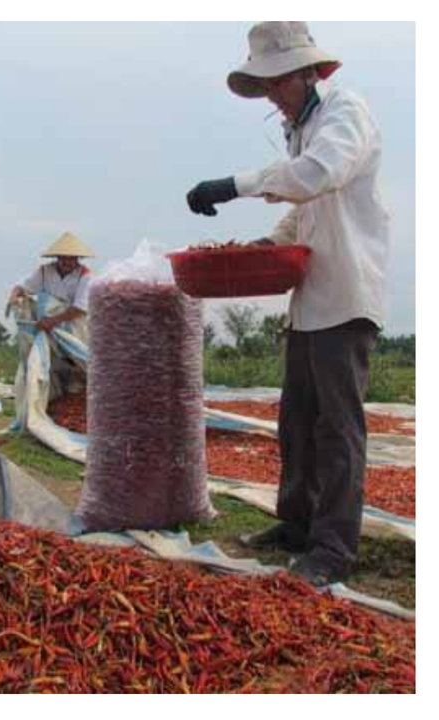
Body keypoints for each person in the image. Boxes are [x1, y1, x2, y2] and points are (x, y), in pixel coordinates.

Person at [186, 21, 389, 585]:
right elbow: (305, 212)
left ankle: (333, 548)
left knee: (337, 428)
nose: (272, 95)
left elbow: (321, 175)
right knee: (296, 419)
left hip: (346, 293)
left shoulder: (345, 112)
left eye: (277, 82)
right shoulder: (300, 130)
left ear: (307, 72)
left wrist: (234, 184)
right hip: (310, 298)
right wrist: (265, 245)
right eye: (265, 85)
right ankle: (297, 523)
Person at [7, 231, 93, 401]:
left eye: (71, 258)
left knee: (76, 360)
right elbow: (23, 287)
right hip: (45, 326)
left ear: (78, 259)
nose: (67, 262)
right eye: (63, 258)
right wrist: (14, 296)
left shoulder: (85, 276)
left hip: (73, 325)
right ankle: (46, 397)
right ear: (57, 258)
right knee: (43, 362)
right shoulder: (45, 272)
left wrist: (52, 321)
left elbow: (79, 308)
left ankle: (78, 391)